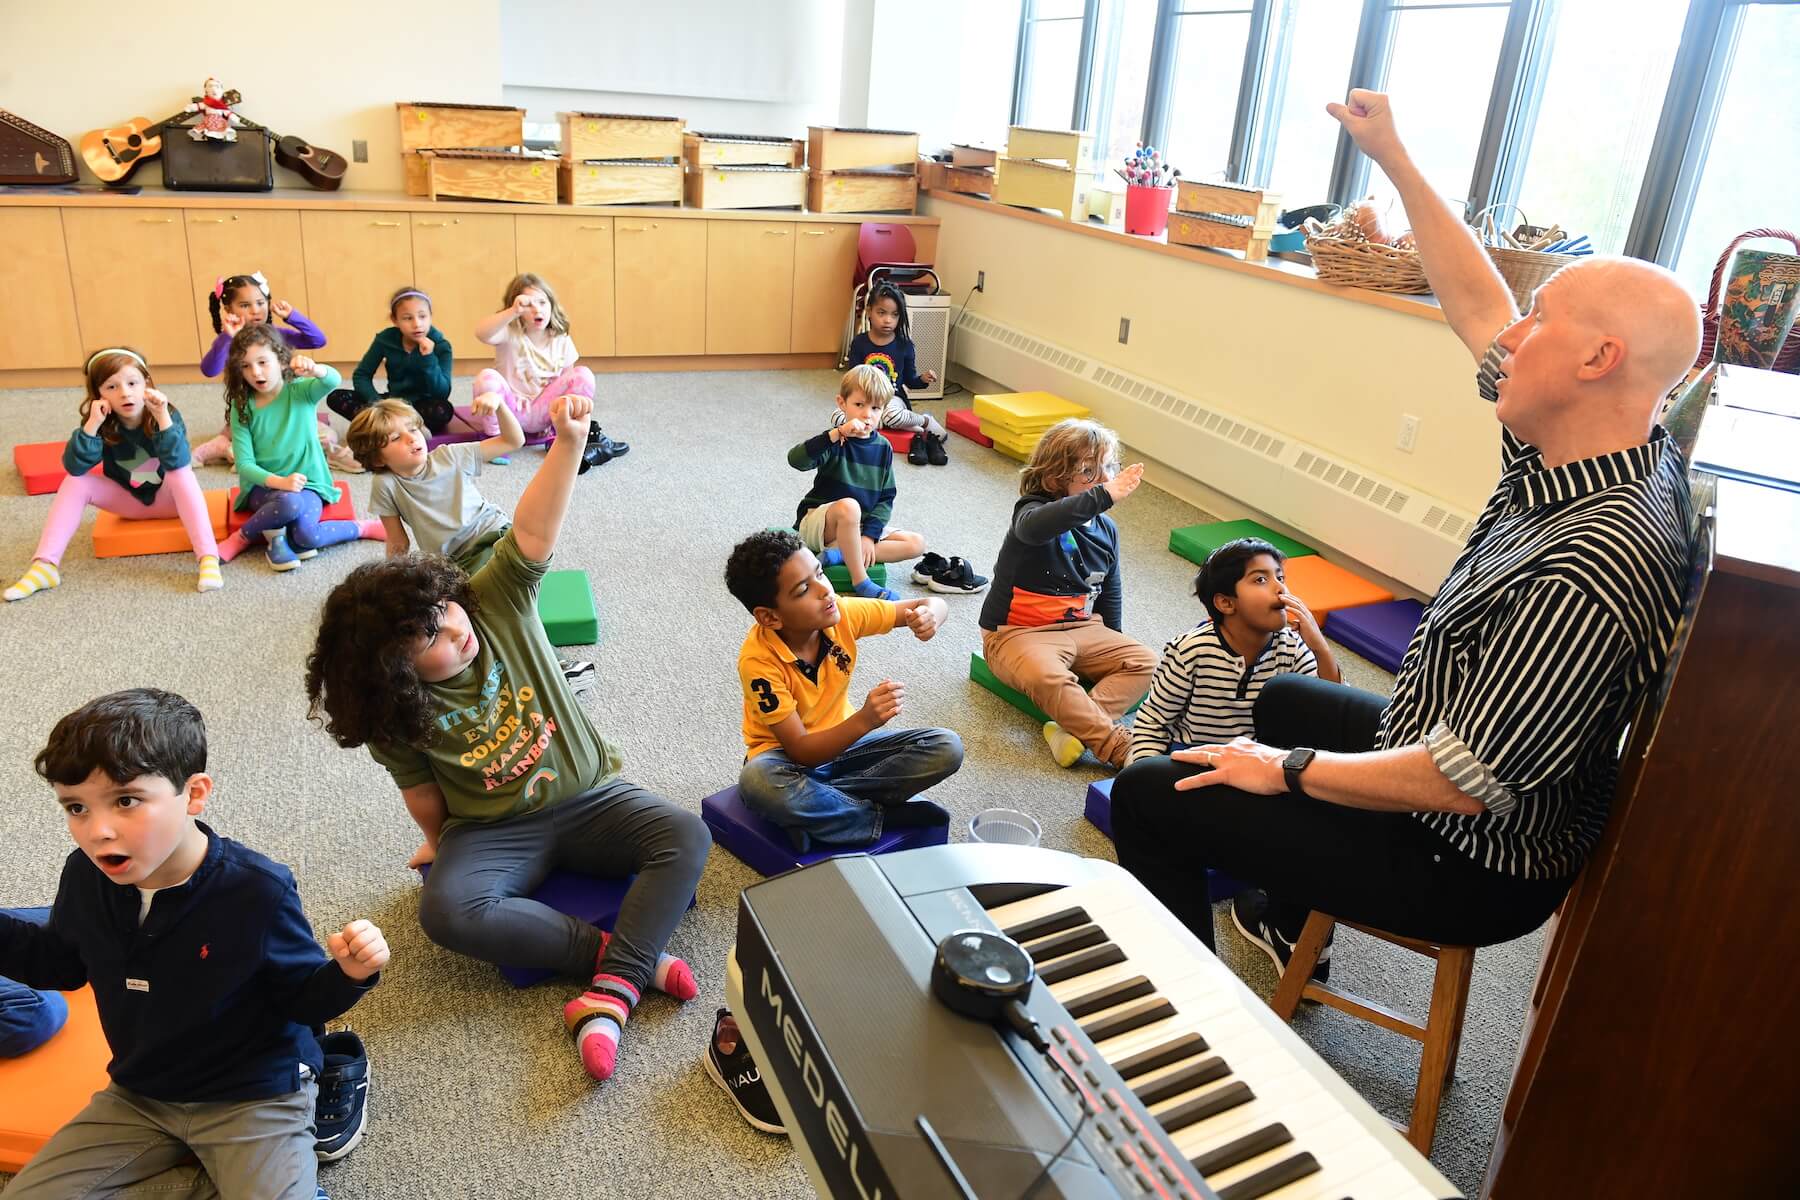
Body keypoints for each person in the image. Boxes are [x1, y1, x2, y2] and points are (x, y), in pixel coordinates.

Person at [1111, 88, 1701, 982]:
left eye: (1541, 319)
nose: (1514, 335)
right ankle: (1285, 914)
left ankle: (1187, 1015)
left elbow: (1464, 779)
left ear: (1597, 362)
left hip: (1464, 857)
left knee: (1152, 794)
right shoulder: (1591, 444)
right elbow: (1478, 309)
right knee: (1281, 701)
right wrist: (1391, 153)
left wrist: (1289, 772)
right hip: (1445, 745)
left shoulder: (1596, 556)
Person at [305, 390, 710, 1085]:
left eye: (443, 611)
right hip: (492, 831)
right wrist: (437, 844)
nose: (453, 629)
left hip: (589, 798)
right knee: (446, 913)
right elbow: (423, 794)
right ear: (392, 670)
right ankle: (617, 960)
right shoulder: (390, 711)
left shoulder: (492, 602)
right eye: (427, 638)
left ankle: (611, 990)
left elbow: (531, 530)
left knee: (687, 836)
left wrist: (570, 444)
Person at [0, 689, 387, 1199]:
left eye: (126, 801)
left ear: (195, 794)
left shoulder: (258, 889)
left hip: (252, 1095)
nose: (97, 831)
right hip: (141, 1092)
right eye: (76, 807)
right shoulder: (83, 874)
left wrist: (349, 973)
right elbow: (65, 966)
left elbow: (301, 1000)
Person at [727, 527, 961, 852]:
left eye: (819, 573)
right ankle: (876, 818)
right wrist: (866, 719)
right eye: (803, 589)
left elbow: (928, 601)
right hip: (786, 761)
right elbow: (801, 751)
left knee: (945, 746)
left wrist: (931, 614)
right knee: (758, 784)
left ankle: (822, 813)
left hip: (848, 749)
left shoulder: (841, 613)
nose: (825, 591)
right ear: (770, 617)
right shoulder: (758, 663)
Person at [978, 418, 1156, 769]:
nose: (1104, 479)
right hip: (1017, 634)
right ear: (1055, 476)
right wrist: (1101, 496)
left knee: (1147, 662)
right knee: (1047, 678)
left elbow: (1110, 589)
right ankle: (1115, 744)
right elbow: (1033, 528)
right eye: (1089, 471)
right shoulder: (1031, 512)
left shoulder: (1107, 529)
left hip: (1084, 627)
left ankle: (1071, 729)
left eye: (1107, 467)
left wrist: (1110, 642)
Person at [5, 348, 221, 600]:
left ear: (147, 384)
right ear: (98, 393)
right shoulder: (102, 420)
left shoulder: (166, 414)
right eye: (111, 387)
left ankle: (208, 558)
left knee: (180, 472)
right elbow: (75, 467)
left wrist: (162, 417)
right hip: (128, 503)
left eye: (132, 383)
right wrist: (92, 425)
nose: (125, 393)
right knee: (76, 482)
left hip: (169, 500)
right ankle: (44, 566)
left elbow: (178, 460)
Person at [1127, 538, 1338, 765]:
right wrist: (1142, 773)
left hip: (1258, 764)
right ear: (1226, 603)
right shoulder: (1190, 651)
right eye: (1261, 579)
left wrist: (1320, 648)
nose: (1280, 588)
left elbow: (1332, 713)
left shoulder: (1293, 647)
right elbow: (1153, 722)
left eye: (1280, 577)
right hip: (1191, 759)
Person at [215, 326, 386, 570]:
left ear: (283, 362)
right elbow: (244, 465)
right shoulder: (242, 406)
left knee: (307, 538)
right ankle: (241, 538)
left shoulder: (300, 391)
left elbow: (332, 380)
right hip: (262, 488)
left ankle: (361, 528)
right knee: (289, 504)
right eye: (245, 366)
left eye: (263, 362)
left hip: (309, 484)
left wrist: (315, 369)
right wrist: (280, 482)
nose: (255, 372)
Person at [789, 365, 928, 601]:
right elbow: (796, 460)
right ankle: (861, 581)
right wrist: (835, 433)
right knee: (850, 506)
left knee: (916, 543)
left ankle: (840, 553)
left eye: (875, 408)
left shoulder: (883, 447)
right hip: (819, 523)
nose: (867, 415)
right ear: (842, 403)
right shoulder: (833, 440)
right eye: (859, 405)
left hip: (857, 526)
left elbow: (885, 497)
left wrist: (869, 536)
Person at [466, 272, 628, 470]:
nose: (536, 310)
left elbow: (570, 381)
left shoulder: (561, 339)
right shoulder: (509, 333)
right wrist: (512, 311)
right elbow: (481, 333)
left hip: (546, 412)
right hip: (510, 413)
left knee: (583, 375)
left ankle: (560, 434)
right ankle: (496, 440)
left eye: (542, 303)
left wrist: (560, 418)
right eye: (528, 305)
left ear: (551, 305)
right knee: (487, 378)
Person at [350, 398, 521, 569]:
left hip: (492, 534)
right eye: (395, 438)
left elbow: (512, 441)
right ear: (378, 459)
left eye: (413, 429)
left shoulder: (449, 456)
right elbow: (398, 542)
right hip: (453, 562)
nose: (411, 438)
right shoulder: (385, 484)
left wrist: (499, 405)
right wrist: (392, 578)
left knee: (491, 579)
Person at [189, 271, 331, 468]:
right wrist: (227, 337)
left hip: (287, 407)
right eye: (245, 305)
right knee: (245, 440)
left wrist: (292, 316)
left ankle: (236, 451)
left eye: (261, 302)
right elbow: (209, 370)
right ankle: (223, 448)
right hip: (253, 411)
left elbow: (318, 340)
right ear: (229, 309)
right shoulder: (231, 341)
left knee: (327, 436)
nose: (256, 310)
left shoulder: (277, 335)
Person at [842, 281, 949, 465]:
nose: (887, 320)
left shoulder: (904, 345)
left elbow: (910, 380)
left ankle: (924, 421)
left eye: (894, 315)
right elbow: (853, 377)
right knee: (839, 417)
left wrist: (923, 379)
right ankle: (914, 430)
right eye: (881, 312)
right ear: (869, 311)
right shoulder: (859, 343)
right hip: (866, 399)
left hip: (893, 398)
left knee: (890, 416)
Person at [328, 286, 457, 434]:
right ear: (395, 320)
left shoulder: (442, 346)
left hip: (423, 404)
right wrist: (377, 403)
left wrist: (428, 358)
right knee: (336, 397)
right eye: (408, 318)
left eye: (422, 316)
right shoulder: (385, 339)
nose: (417, 324)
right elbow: (362, 375)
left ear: (430, 316)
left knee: (443, 411)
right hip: (393, 402)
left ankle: (385, 427)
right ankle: (401, 426)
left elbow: (442, 393)